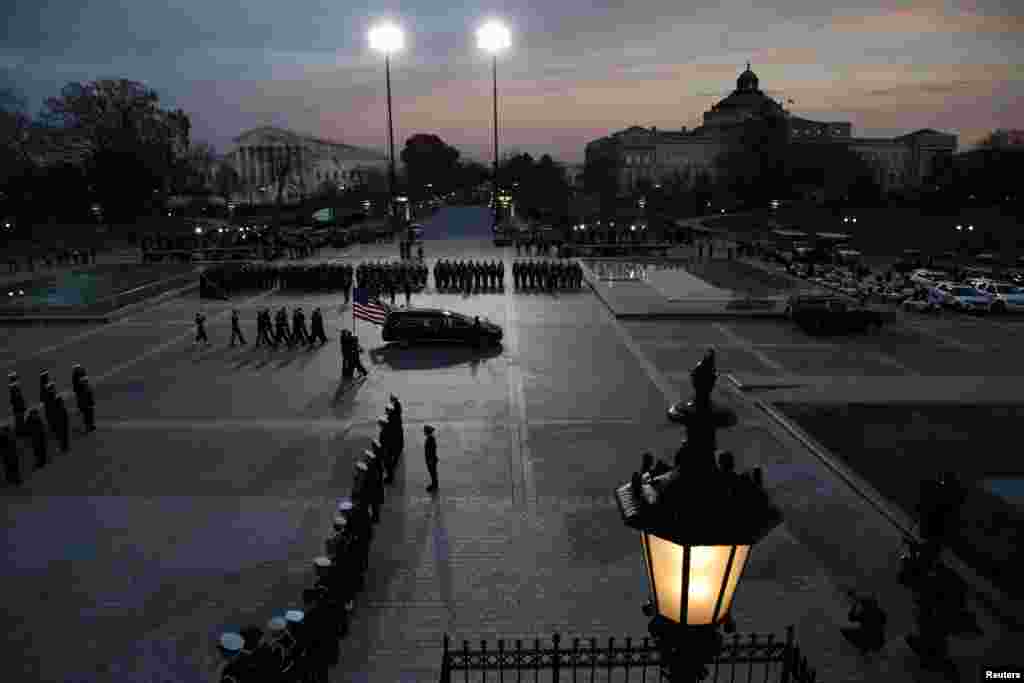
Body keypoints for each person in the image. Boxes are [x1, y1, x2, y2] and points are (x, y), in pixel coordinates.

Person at [424, 425, 438, 492]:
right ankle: (434, 484)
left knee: (433, 472)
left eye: (425, 431)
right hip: (431, 459)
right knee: (432, 472)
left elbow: (431, 451)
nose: (424, 432)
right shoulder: (430, 438)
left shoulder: (430, 439)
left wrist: (431, 460)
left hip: (431, 459)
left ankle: (434, 485)